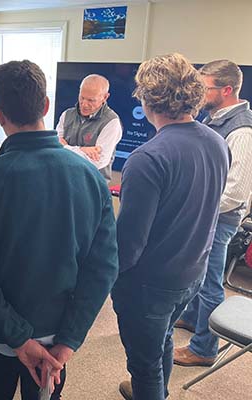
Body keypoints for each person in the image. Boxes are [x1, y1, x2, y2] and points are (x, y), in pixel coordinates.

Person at [0, 60, 119, 400]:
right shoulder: (91, 177)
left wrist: (18, 338)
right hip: (58, 338)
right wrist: (70, 341)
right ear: (46, 105)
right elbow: (102, 269)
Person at [112, 53, 230, 400]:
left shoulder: (147, 159)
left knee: (144, 366)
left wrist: (99, 281)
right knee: (163, 339)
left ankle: (152, 390)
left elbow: (128, 246)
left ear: (147, 100)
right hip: (193, 273)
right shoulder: (217, 142)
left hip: (150, 286)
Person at [174, 60, 252, 367]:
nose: (198, 93)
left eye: (204, 87)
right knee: (199, 274)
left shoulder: (242, 131)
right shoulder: (213, 118)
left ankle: (203, 349)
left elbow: (235, 192)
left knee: (210, 284)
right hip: (208, 215)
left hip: (220, 219)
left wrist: (195, 207)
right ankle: (194, 320)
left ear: (226, 90)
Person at [55, 74, 122, 182]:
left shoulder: (112, 122)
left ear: (105, 97)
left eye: (91, 100)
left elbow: (98, 162)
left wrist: (65, 147)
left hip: (93, 185)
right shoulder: (66, 115)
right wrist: (82, 150)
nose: (84, 104)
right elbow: (55, 149)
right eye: (82, 97)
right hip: (65, 181)